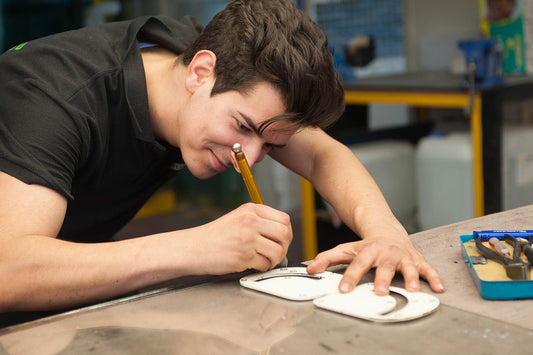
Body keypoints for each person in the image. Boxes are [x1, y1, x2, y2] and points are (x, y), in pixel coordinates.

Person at [0, 0, 443, 316]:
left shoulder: (216, 60)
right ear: (200, 72)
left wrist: (387, 234)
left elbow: (322, 153)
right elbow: (9, 272)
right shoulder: (54, 98)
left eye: (270, 144)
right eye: (244, 128)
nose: (248, 158)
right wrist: (196, 247)